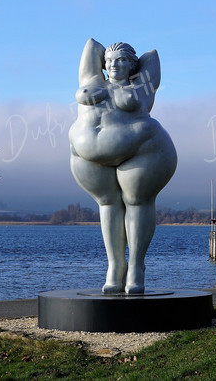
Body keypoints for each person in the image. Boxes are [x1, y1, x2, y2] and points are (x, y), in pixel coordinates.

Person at [69, 38, 177, 294]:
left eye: (120, 61)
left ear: (132, 65)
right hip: (88, 156)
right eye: (109, 61)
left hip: (144, 149)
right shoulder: (91, 80)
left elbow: (152, 57)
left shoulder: (142, 85)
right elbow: (91, 45)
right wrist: (107, 52)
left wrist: (135, 62)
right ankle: (115, 266)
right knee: (108, 204)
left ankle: (137, 267)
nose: (113, 65)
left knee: (137, 202)